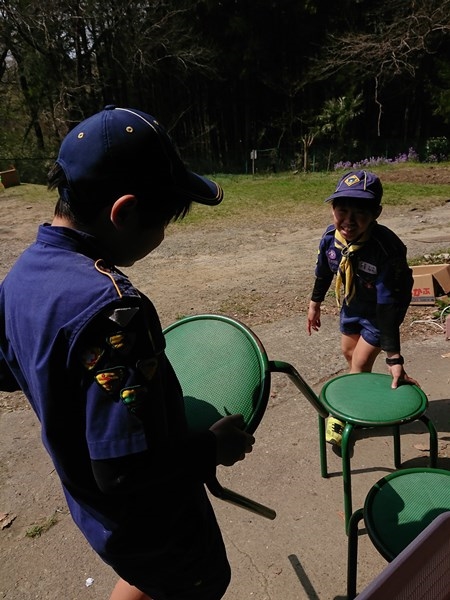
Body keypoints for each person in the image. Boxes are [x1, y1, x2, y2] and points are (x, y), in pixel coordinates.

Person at [0, 106, 256, 600]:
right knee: (200, 584)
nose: (162, 236)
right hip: (152, 523)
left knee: (146, 583)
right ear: (125, 212)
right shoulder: (113, 310)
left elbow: (10, 371)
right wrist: (211, 448)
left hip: (99, 517)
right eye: (164, 221)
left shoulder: (23, 275)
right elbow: (121, 471)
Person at [307, 170, 416, 447]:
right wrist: (314, 303)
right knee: (348, 352)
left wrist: (394, 357)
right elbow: (323, 271)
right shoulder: (331, 239)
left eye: (360, 213)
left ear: (376, 213)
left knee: (359, 362)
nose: (349, 221)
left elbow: (387, 302)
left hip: (383, 310)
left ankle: (346, 418)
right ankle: (360, 390)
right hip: (353, 303)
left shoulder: (386, 249)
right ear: (333, 209)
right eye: (342, 210)